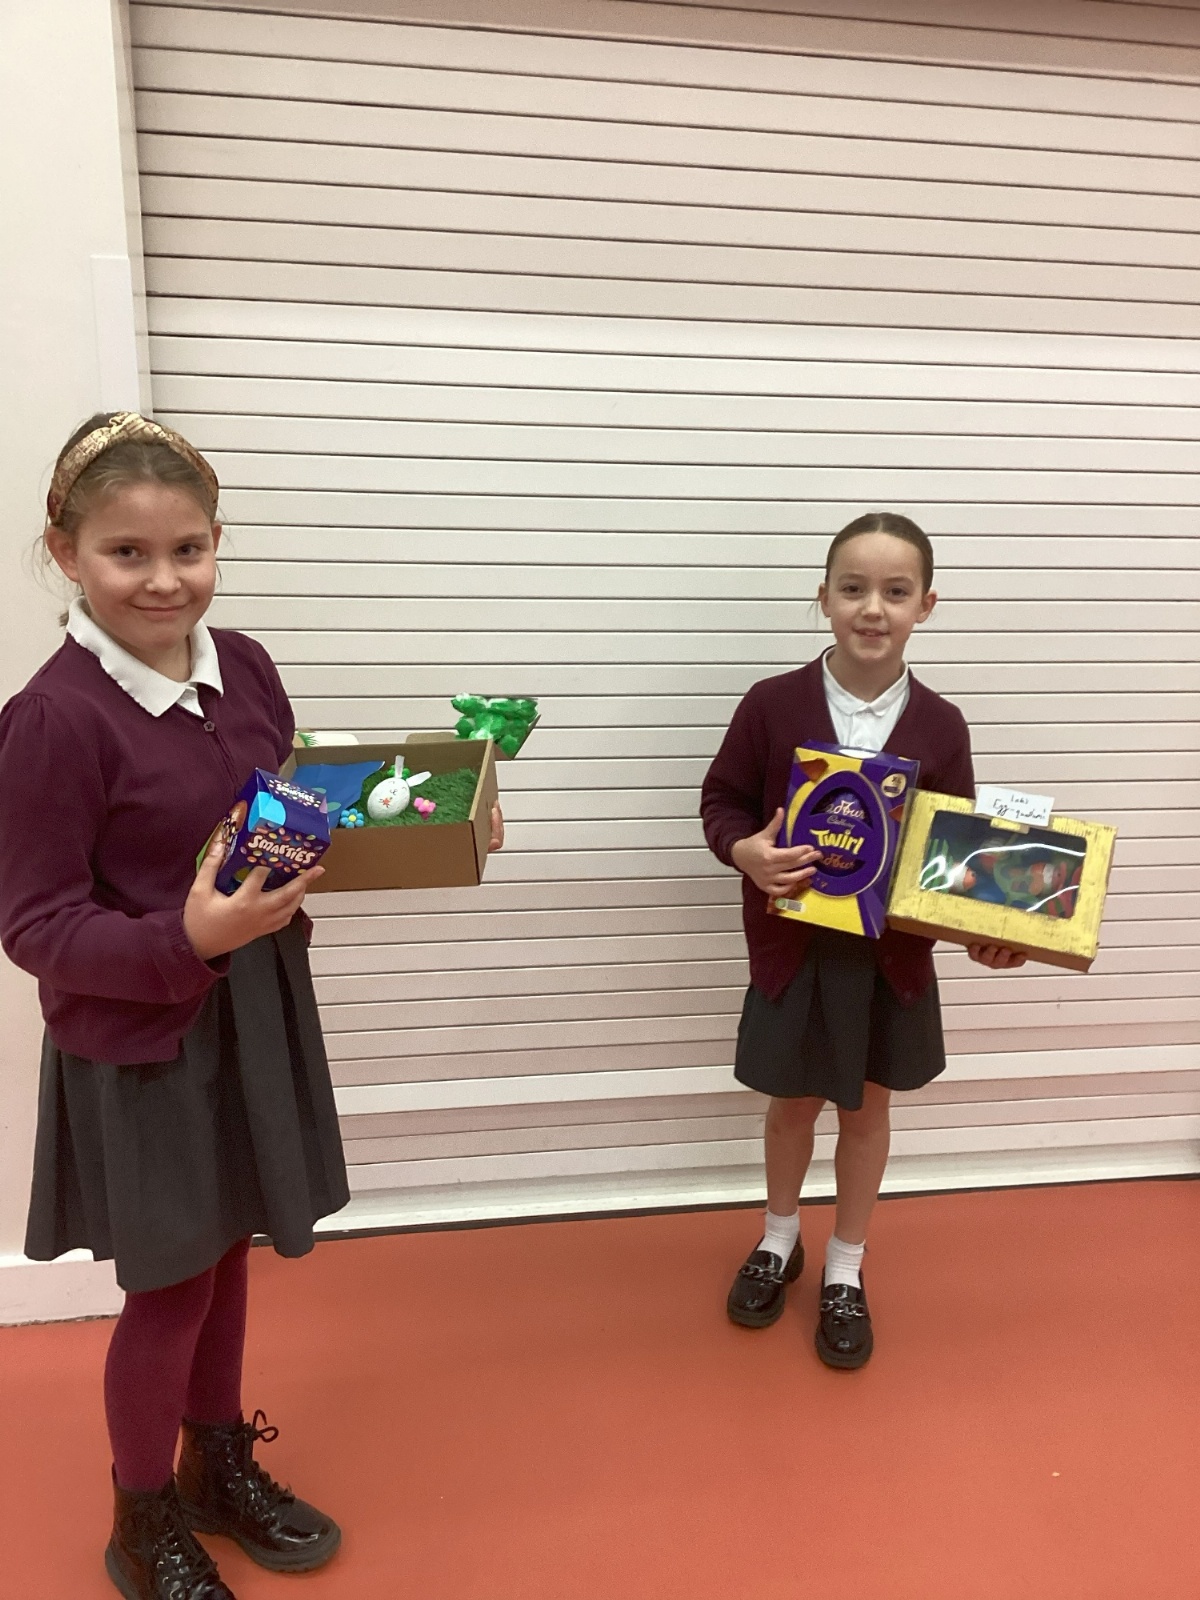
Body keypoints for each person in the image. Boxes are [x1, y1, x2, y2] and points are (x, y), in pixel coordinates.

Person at [0, 412, 502, 1600]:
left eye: (189, 548)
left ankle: (215, 1460)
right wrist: (185, 937)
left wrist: (440, 814)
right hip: (145, 1035)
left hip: (256, 1005)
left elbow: (292, 813)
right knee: (171, 1281)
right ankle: (142, 1516)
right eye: (127, 553)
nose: (164, 579)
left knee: (228, 1253)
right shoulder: (53, 719)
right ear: (65, 553)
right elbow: (33, 925)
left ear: (218, 542)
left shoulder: (249, 667)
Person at [700, 512, 1024, 1370]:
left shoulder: (942, 725)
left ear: (926, 605)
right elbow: (721, 801)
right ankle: (778, 1240)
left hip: (889, 961)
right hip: (795, 952)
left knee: (868, 1111)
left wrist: (988, 932)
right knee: (789, 1106)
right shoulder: (772, 704)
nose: (872, 608)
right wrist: (744, 851)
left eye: (895, 591)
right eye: (853, 588)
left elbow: (953, 859)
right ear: (824, 598)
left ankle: (845, 1264)